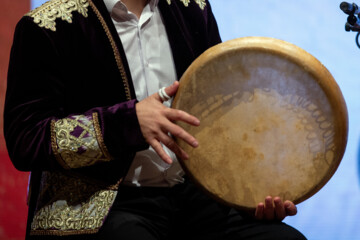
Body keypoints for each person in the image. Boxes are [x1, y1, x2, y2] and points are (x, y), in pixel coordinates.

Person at [4, 0, 307, 239]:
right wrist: (127, 123)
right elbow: (26, 138)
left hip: (192, 198)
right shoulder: (47, 25)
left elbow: (219, 122)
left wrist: (249, 197)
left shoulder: (193, 10)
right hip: (98, 203)